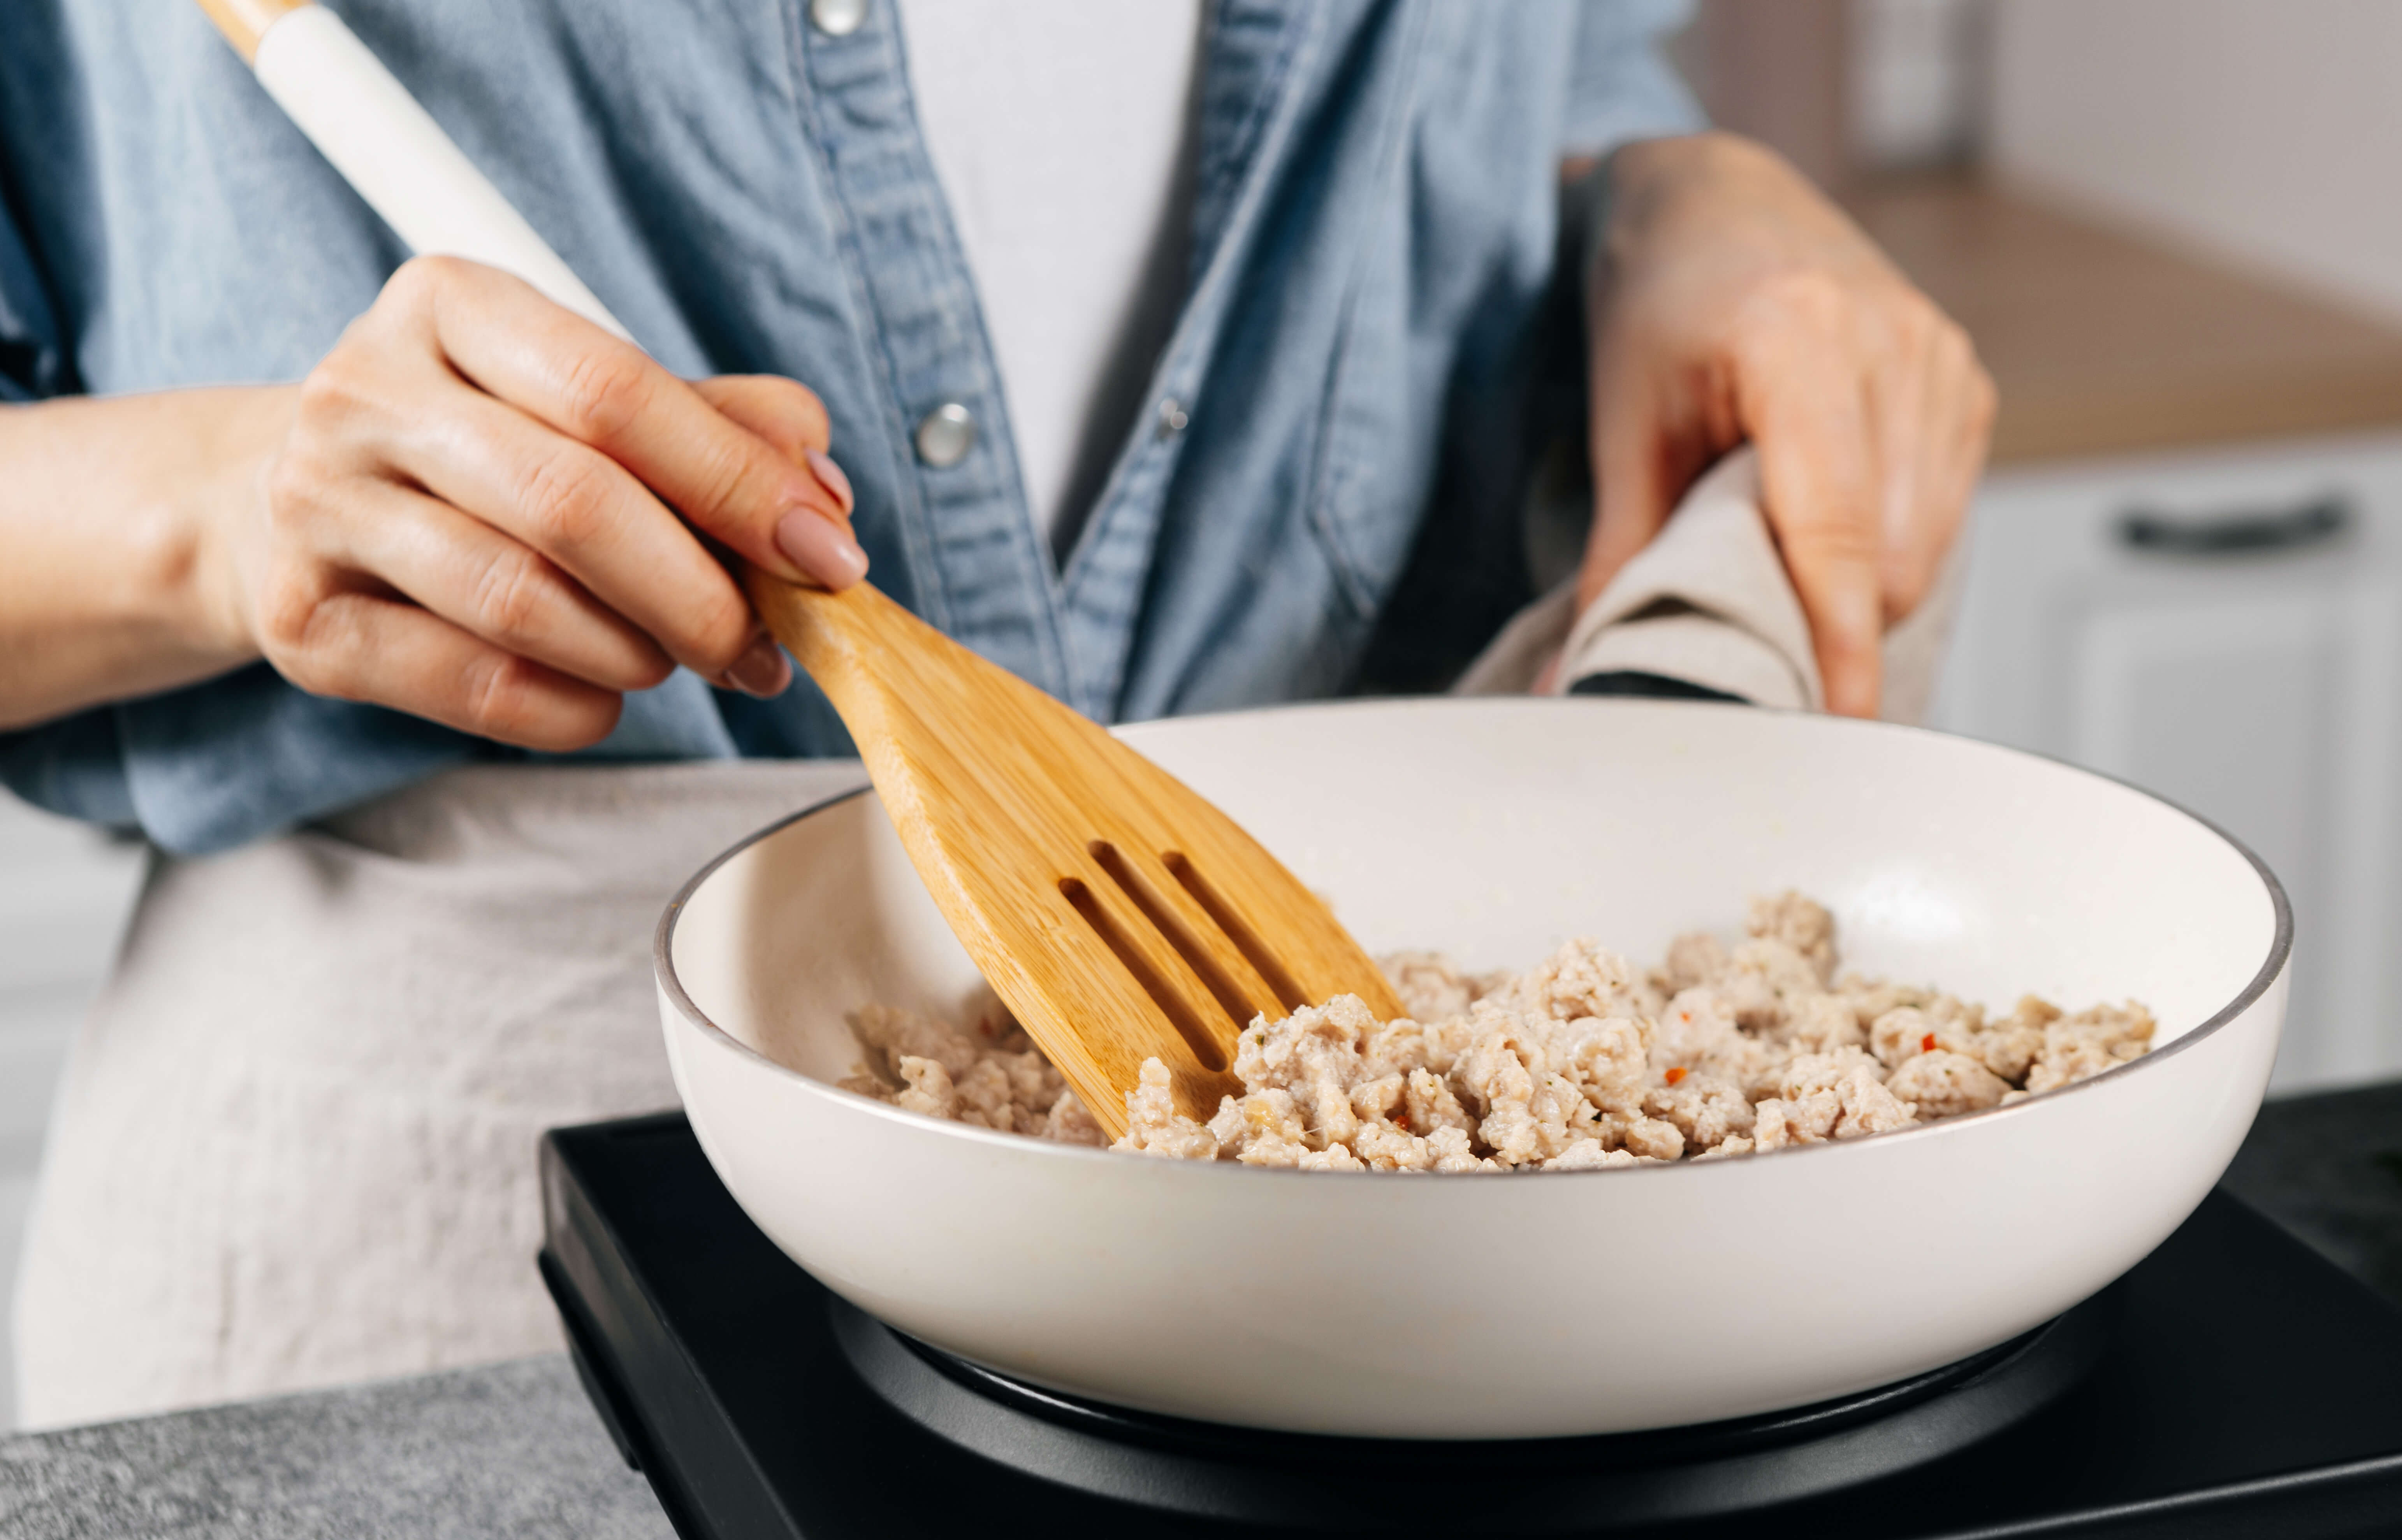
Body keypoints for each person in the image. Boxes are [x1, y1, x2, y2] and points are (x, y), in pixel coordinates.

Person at [0, 0, 1991, 1426]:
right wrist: (225, 502)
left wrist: (1674, 192)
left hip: (1381, 1315)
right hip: (438, 1304)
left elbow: (1549, 86)